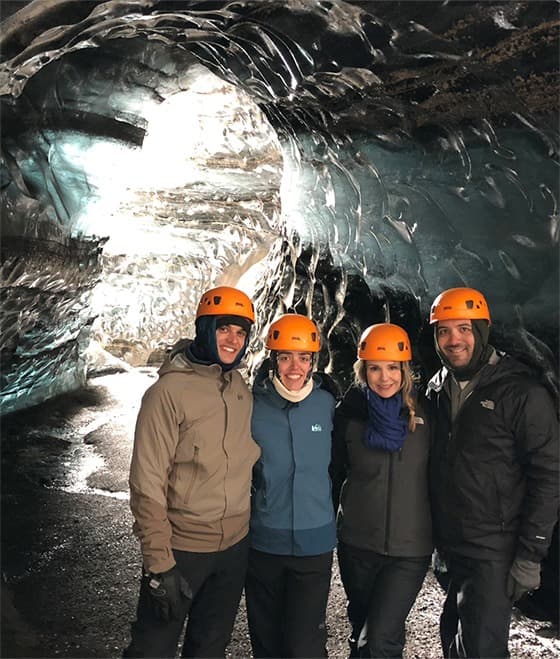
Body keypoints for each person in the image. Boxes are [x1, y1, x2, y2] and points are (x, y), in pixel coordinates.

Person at [124, 285, 261, 659]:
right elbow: (146, 483)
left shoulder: (239, 387)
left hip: (233, 548)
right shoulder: (167, 394)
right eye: (224, 328)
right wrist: (158, 563)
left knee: (210, 647)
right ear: (205, 328)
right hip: (182, 549)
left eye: (241, 332)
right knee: (152, 648)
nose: (233, 339)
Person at [427, 286, 559, 659]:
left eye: (464, 329)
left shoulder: (521, 393)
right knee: (453, 637)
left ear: (482, 331)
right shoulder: (438, 388)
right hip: (452, 546)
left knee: (482, 648)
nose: (454, 340)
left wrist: (531, 555)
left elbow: (549, 475)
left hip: (494, 551)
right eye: (444, 331)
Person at [331, 323, 432, 658]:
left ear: (404, 370)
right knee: (362, 628)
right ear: (363, 370)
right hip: (357, 545)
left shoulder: (428, 414)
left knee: (379, 639)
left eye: (392, 368)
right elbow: (332, 472)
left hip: (409, 550)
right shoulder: (349, 415)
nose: (384, 377)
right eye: (374, 368)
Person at [245, 313, 338, 658]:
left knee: (305, 645)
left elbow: (341, 463)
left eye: (303, 357)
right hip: (265, 541)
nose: (294, 367)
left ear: (314, 361)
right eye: (285, 357)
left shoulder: (328, 404)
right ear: (273, 360)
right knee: (267, 641)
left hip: (314, 544)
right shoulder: (253, 406)